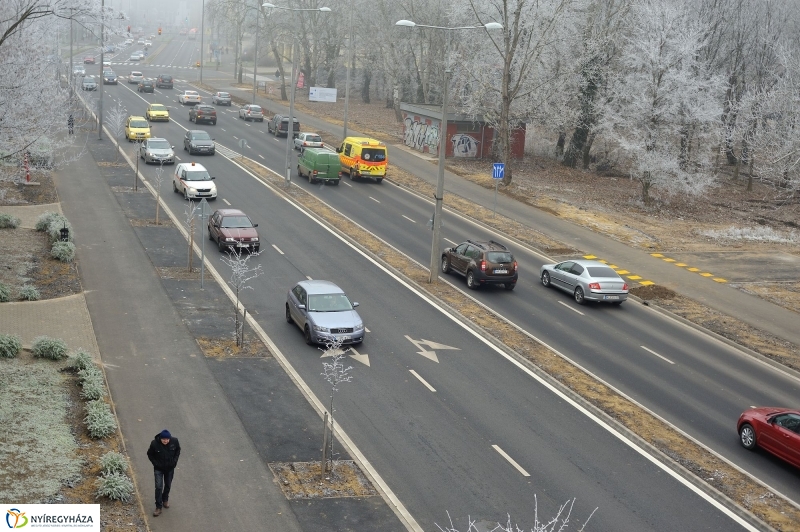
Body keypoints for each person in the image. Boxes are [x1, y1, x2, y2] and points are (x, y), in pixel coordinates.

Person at [146, 429, 181, 517]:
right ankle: (158, 507)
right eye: (163, 439)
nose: (165, 441)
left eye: (167, 439)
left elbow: (178, 450)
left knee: (168, 485)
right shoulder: (154, 443)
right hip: (159, 469)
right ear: (160, 438)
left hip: (170, 469)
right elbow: (150, 454)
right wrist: (156, 464)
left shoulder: (175, 441)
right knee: (158, 487)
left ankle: (165, 499)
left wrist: (174, 462)